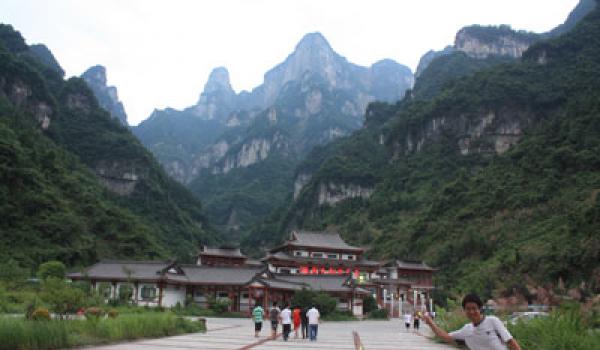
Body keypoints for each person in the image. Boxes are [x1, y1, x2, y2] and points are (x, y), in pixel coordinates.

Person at [423, 294, 522, 350]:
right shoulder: (466, 330)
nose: (471, 312)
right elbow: (446, 337)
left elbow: (511, 342)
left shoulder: (493, 321)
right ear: (464, 310)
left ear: (480, 309)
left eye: (474, 308)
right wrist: (431, 323)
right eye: (468, 309)